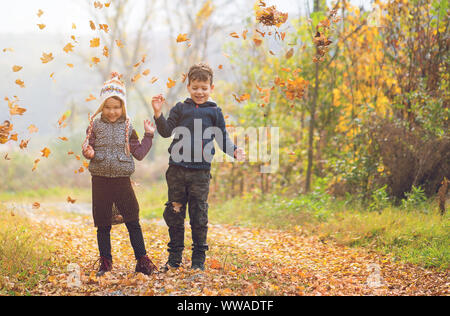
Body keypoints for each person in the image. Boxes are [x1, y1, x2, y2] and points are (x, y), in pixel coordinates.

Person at [152, 63, 245, 271]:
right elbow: (166, 131)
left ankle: (198, 261)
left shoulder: (214, 112)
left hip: (200, 172)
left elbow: (223, 138)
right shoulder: (180, 108)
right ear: (188, 87)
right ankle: (174, 259)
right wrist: (158, 115)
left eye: (204, 88)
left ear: (211, 88)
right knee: (175, 213)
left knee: (199, 214)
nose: (199, 92)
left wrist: (235, 150)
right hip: (177, 169)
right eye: (195, 88)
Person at [82, 72, 157, 276]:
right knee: (103, 223)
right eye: (107, 107)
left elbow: (139, 153)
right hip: (100, 180)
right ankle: (105, 263)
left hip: (122, 181)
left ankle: (142, 260)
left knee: (132, 220)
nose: (112, 111)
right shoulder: (94, 125)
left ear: (122, 106)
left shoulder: (128, 127)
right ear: (102, 107)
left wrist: (149, 135)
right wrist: (88, 152)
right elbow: (88, 148)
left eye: (116, 107)